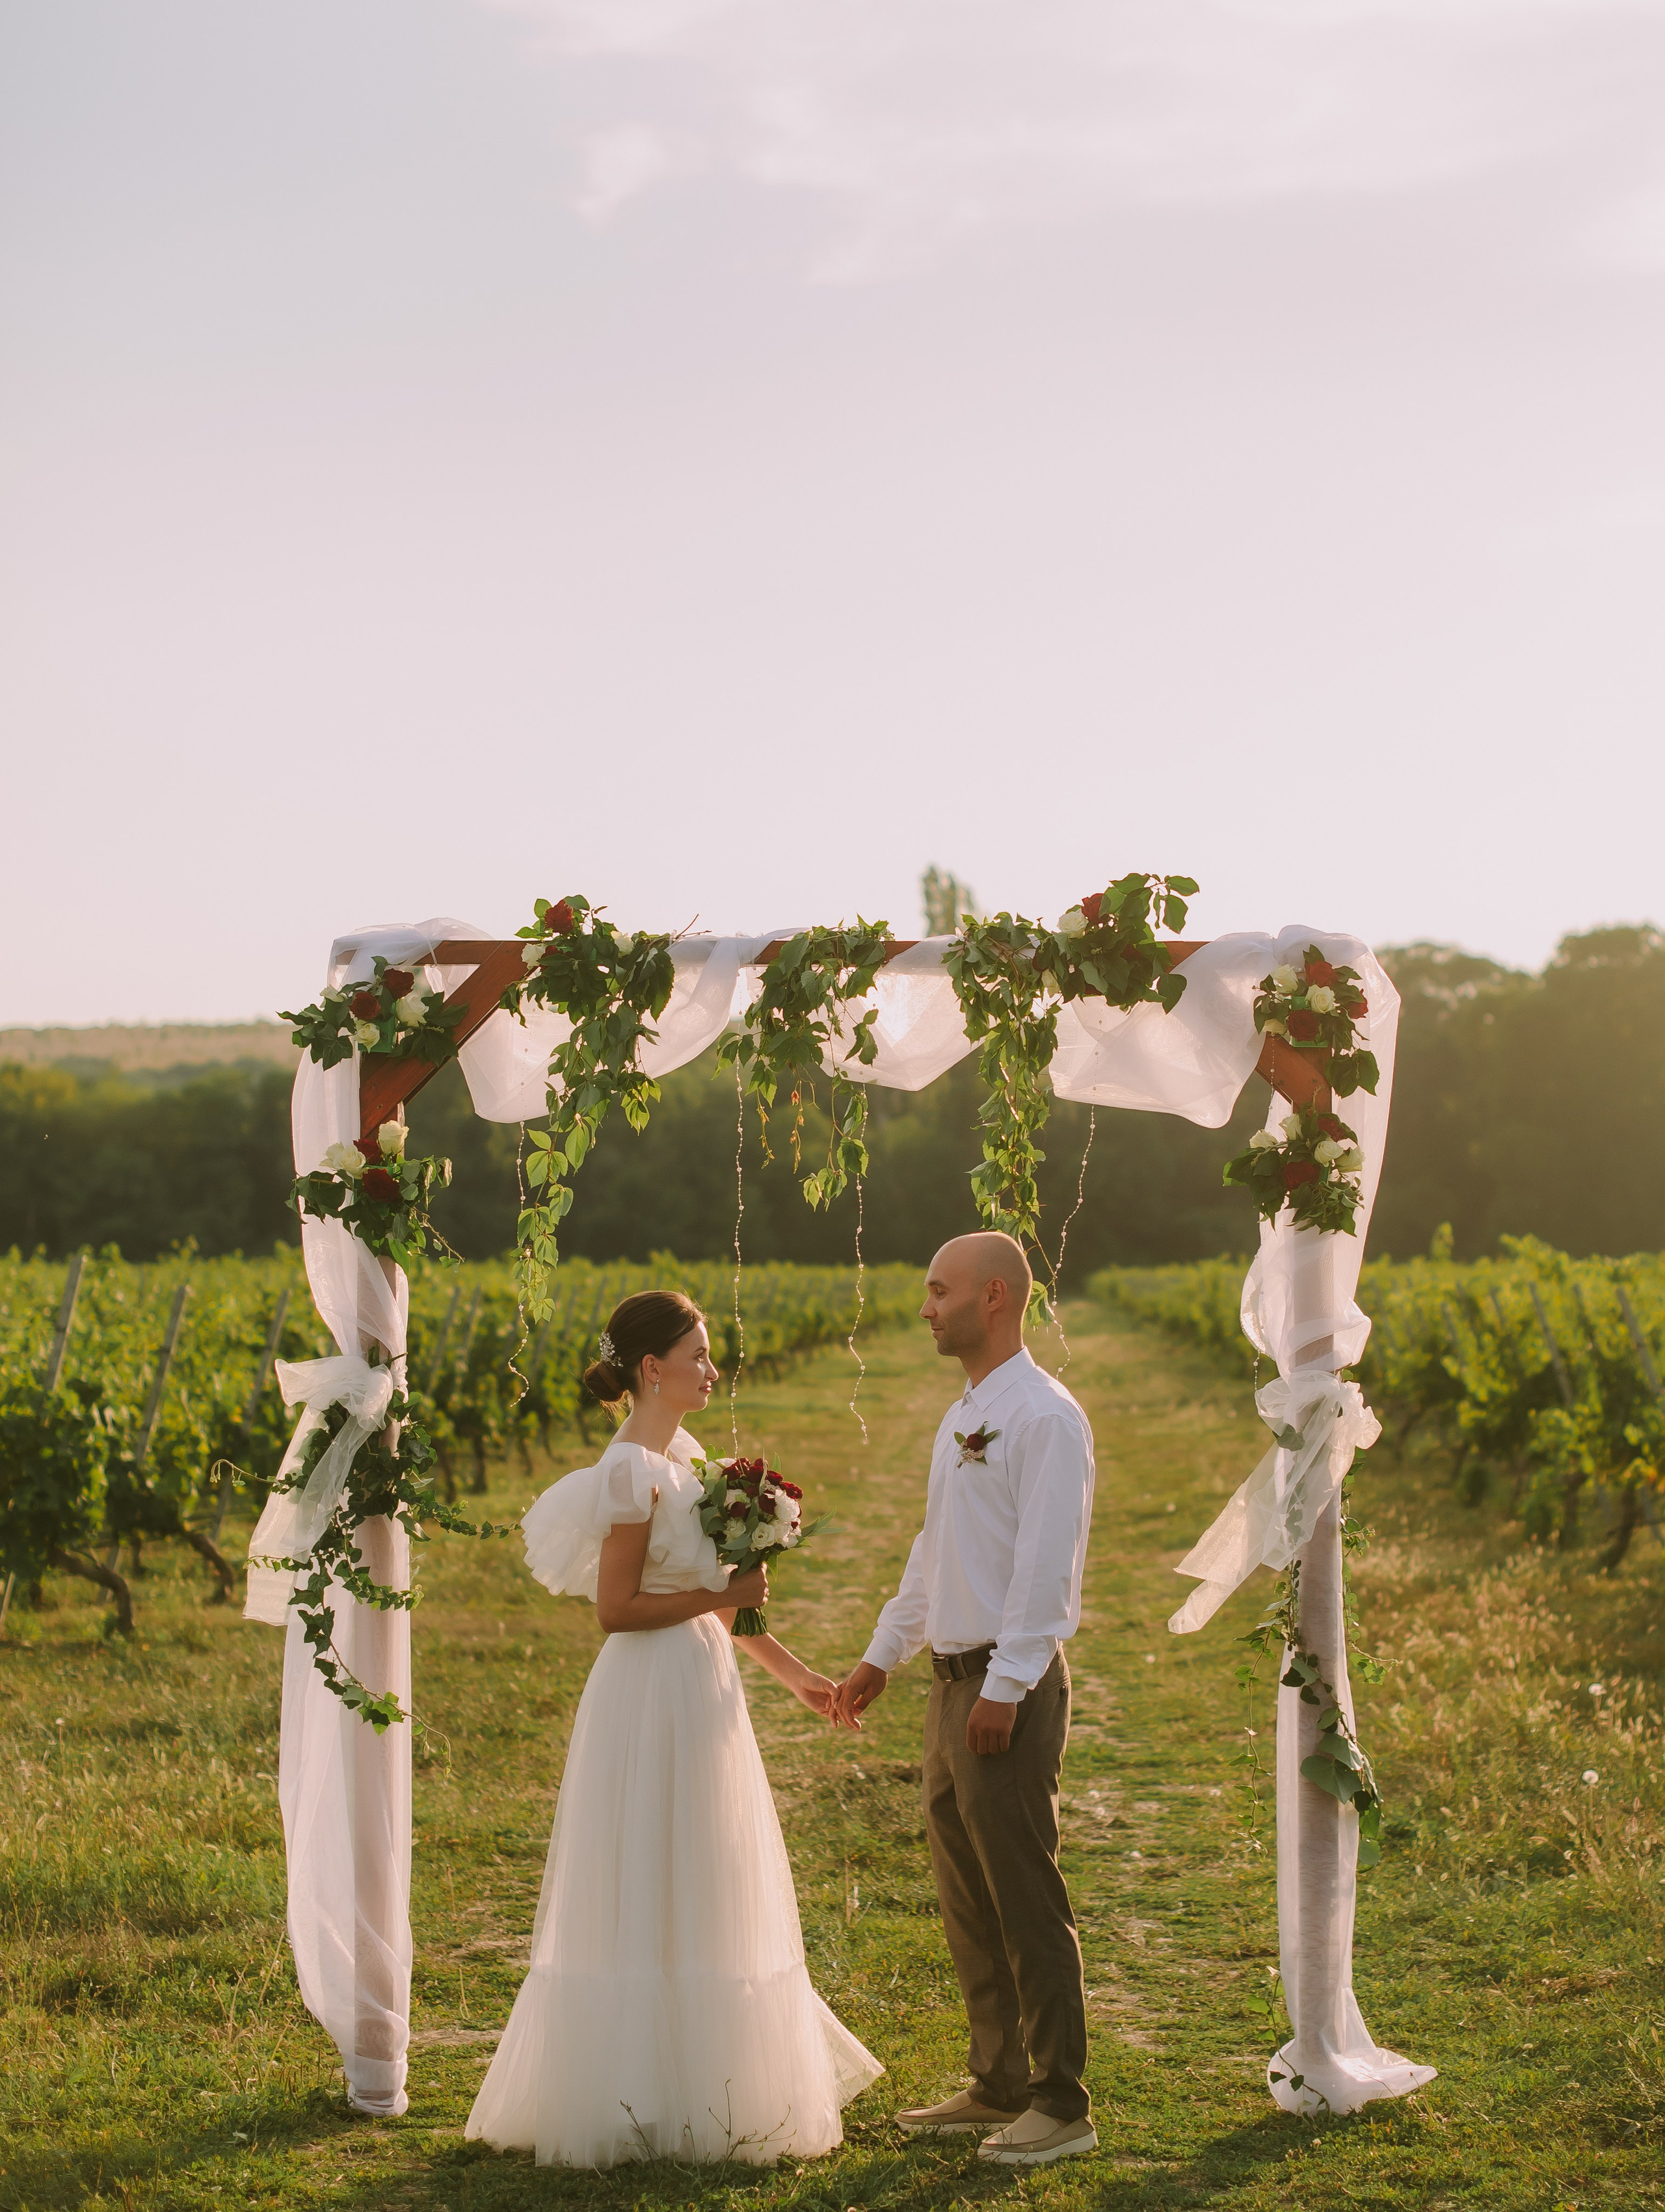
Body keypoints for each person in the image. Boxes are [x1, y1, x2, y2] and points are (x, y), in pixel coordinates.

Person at [466, 1290, 881, 2169]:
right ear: (652, 1368)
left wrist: (801, 1677)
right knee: (648, 1873)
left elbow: (717, 1607)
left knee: (703, 1872)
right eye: (698, 1354)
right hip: (647, 1687)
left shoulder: (683, 1456)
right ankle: (635, 2090)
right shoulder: (626, 1471)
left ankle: (704, 2080)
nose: (712, 1368)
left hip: (701, 1679)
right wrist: (724, 1596)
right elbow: (617, 1609)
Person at [833, 1232, 1098, 2168]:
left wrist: (1010, 1681)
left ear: (993, 1297)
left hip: (1002, 1686)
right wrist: (882, 1654)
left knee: (1025, 1893)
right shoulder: (967, 1414)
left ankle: (1062, 2101)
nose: (924, 1306)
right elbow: (934, 1547)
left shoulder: (1044, 1417)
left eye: (936, 1290)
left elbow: (1045, 1565)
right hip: (950, 1685)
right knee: (967, 1896)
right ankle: (999, 2082)